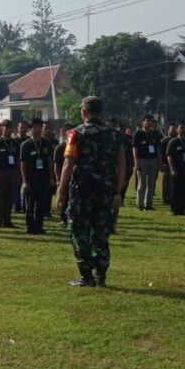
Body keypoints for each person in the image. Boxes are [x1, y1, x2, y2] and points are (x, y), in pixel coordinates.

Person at [56, 96, 126, 287]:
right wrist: (118, 191)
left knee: (79, 231)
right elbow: (122, 164)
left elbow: (68, 164)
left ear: (84, 112)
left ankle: (86, 275)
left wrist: (61, 191)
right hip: (106, 191)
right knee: (101, 232)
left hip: (82, 192)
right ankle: (101, 275)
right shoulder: (114, 135)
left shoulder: (76, 134)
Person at [20, 118, 55, 235]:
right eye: (36, 127)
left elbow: (50, 161)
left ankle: (39, 226)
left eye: (40, 127)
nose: (38, 129)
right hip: (31, 178)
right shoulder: (26, 145)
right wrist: (25, 180)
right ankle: (30, 226)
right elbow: (23, 164)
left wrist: (51, 177)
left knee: (41, 203)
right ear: (31, 129)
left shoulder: (46, 143)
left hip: (43, 177)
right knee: (30, 203)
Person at [0, 120, 19, 228]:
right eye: (6, 128)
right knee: (0, 198)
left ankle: (7, 220)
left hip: (12, 173)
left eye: (10, 128)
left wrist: (18, 174)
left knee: (10, 198)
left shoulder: (15, 143)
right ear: (1, 128)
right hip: (0, 173)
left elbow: (17, 160)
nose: (8, 130)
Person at [132, 115, 162, 211]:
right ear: (143, 122)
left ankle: (148, 204)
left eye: (151, 121)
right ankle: (139, 204)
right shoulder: (138, 134)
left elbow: (157, 148)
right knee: (142, 183)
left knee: (152, 183)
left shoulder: (155, 134)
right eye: (147, 121)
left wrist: (159, 161)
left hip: (153, 160)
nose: (149, 123)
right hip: (142, 160)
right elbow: (135, 148)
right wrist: (136, 161)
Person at [166, 121, 185, 216]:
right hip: (176, 170)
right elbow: (169, 156)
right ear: (177, 129)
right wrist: (172, 169)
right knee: (176, 189)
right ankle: (175, 209)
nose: (183, 129)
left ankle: (182, 208)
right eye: (181, 128)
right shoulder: (173, 142)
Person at [53, 125, 71, 224]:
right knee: (63, 197)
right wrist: (58, 179)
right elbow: (56, 164)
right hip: (63, 175)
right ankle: (63, 217)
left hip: (74, 176)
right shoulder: (60, 148)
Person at [160, 123, 176, 205]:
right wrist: (161, 164)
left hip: (176, 165)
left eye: (174, 129)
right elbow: (160, 154)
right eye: (172, 129)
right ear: (168, 130)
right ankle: (166, 199)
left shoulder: (177, 141)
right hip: (166, 165)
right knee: (166, 183)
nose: (173, 131)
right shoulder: (164, 141)